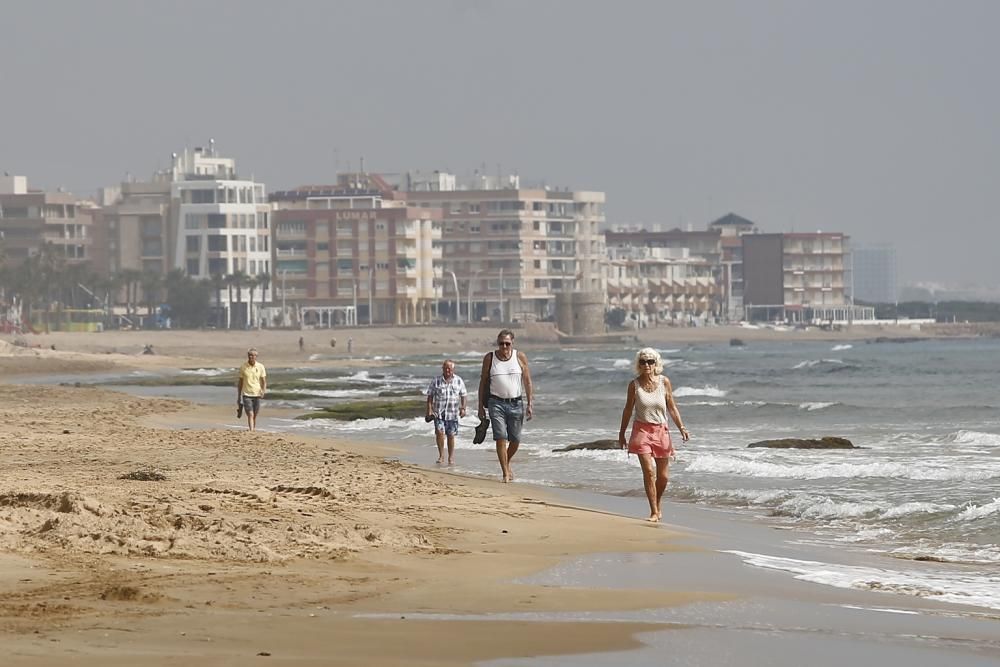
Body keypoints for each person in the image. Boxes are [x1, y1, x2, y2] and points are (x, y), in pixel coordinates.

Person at [618, 347, 690, 522]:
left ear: (656, 363)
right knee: (649, 472)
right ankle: (654, 512)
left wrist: (681, 427)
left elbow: (672, 407)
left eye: (650, 361)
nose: (647, 365)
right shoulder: (634, 385)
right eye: (643, 361)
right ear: (639, 365)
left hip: (661, 431)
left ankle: (657, 502)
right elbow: (628, 410)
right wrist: (622, 433)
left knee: (663, 476)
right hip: (641, 431)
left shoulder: (664, 382)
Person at [478, 329, 533, 483]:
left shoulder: (520, 357)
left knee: (515, 440)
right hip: (496, 403)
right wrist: (480, 406)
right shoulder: (490, 358)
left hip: (516, 403)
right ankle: (505, 473)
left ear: (512, 343)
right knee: (500, 437)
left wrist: (530, 403)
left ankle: (506, 462)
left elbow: (527, 381)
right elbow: (483, 382)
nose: (504, 347)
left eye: (507, 344)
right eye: (501, 343)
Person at [425, 360, 467, 465]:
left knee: (451, 435)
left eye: (450, 368)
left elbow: (464, 395)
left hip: (452, 414)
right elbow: (430, 396)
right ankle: (441, 456)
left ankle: (451, 457)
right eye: (446, 368)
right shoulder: (436, 380)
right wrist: (429, 411)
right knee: (439, 433)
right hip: (439, 413)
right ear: (442, 368)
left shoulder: (459, 380)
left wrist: (463, 408)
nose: (447, 370)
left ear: (453, 369)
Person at [237, 347, 267, 431]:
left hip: (257, 394)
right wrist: (239, 396)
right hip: (246, 394)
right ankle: (251, 431)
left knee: (255, 415)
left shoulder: (261, 366)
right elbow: (240, 382)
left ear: (256, 357)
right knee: (250, 414)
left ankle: (253, 429)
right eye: (250, 355)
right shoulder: (243, 367)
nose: (251, 357)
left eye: (253, 355)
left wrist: (263, 391)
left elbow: (264, 381)